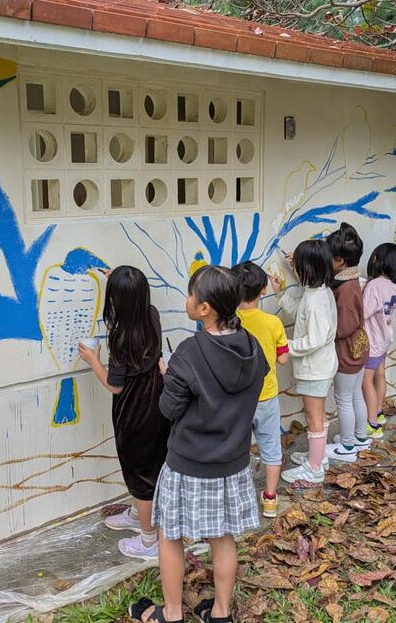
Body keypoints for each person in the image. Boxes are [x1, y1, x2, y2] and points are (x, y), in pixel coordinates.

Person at [129, 265, 267, 623]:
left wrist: (168, 375)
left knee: (170, 536)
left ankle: (171, 613)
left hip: (187, 462)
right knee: (223, 537)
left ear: (204, 308)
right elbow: (252, 386)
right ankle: (220, 613)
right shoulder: (251, 347)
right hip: (233, 461)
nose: (188, 298)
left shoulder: (188, 354)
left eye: (192, 294)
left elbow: (168, 409)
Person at [78, 265, 170, 560]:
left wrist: (93, 359)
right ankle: (136, 513)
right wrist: (118, 280)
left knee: (139, 473)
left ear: (115, 300)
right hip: (156, 400)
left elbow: (115, 386)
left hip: (133, 410)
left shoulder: (120, 337)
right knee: (148, 464)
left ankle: (147, 541)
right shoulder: (152, 314)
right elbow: (134, 297)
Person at [271, 239, 338, 486]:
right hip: (319, 367)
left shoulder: (316, 300)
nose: (294, 268)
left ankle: (314, 468)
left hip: (315, 369)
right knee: (318, 415)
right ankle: (318, 457)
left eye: (297, 264)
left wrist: (287, 346)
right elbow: (298, 310)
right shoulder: (319, 292)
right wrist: (279, 293)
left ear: (306, 269)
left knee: (313, 418)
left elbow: (314, 339)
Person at [232, 261, 290, 518]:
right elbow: (283, 359)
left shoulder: (229, 323)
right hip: (267, 396)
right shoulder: (273, 323)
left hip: (238, 400)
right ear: (264, 290)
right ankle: (269, 499)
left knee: (238, 451)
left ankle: (240, 501)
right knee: (271, 448)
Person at [324, 223, 371, 463]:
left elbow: (343, 327)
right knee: (355, 396)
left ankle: (347, 445)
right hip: (360, 349)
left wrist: (326, 333)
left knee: (344, 399)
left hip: (346, 352)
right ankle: (360, 437)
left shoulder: (344, 290)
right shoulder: (353, 280)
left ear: (340, 260)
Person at [361, 243, 396, 437]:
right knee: (381, 375)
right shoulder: (394, 287)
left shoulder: (374, 286)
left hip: (371, 341)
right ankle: (378, 413)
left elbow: (363, 312)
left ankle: (371, 425)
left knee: (365, 381)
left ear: (379, 260)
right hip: (385, 338)